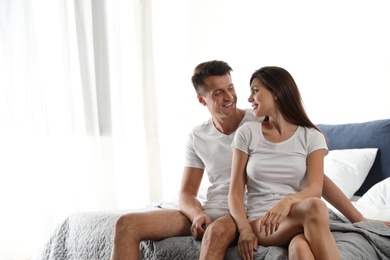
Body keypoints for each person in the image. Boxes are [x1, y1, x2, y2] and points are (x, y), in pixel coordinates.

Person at [111, 60, 383, 260]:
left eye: (230, 88)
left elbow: (313, 177)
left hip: (241, 209)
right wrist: (197, 214)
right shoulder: (198, 136)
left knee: (219, 232)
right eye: (218, 93)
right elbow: (186, 192)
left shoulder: (260, 119)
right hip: (213, 207)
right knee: (126, 224)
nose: (230, 97)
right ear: (201, 100)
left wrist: (357, 218)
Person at [228, 66, 339, 260]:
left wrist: (287, 201)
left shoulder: (311, 136)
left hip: (299, 216)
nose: (249, 98)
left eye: (255, 90)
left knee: (301, 249)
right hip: (262, 220)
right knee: (315, 207)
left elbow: (315, 188)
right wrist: (244, 229)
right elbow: (235, 193)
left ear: (277, 92)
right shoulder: (247, 132)